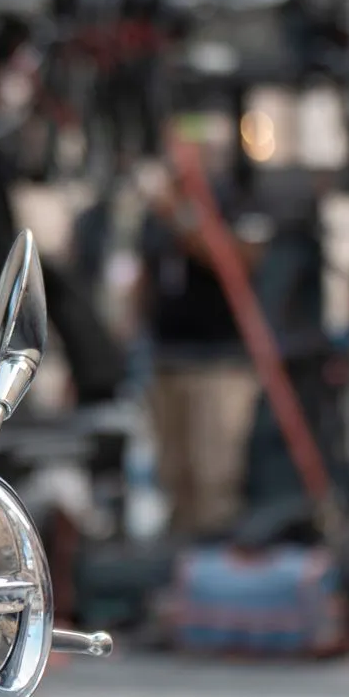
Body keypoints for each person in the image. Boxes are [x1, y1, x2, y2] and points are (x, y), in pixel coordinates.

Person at [140, 119, 267, 538]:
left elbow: (238, 261)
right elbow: (145, 275)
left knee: (216, 474)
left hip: (219, 360)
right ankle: (181, 557)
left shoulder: (228, 199)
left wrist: (181, 220)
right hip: (168, 356)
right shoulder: (158, 208)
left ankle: (216, 555)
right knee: (175, 475)